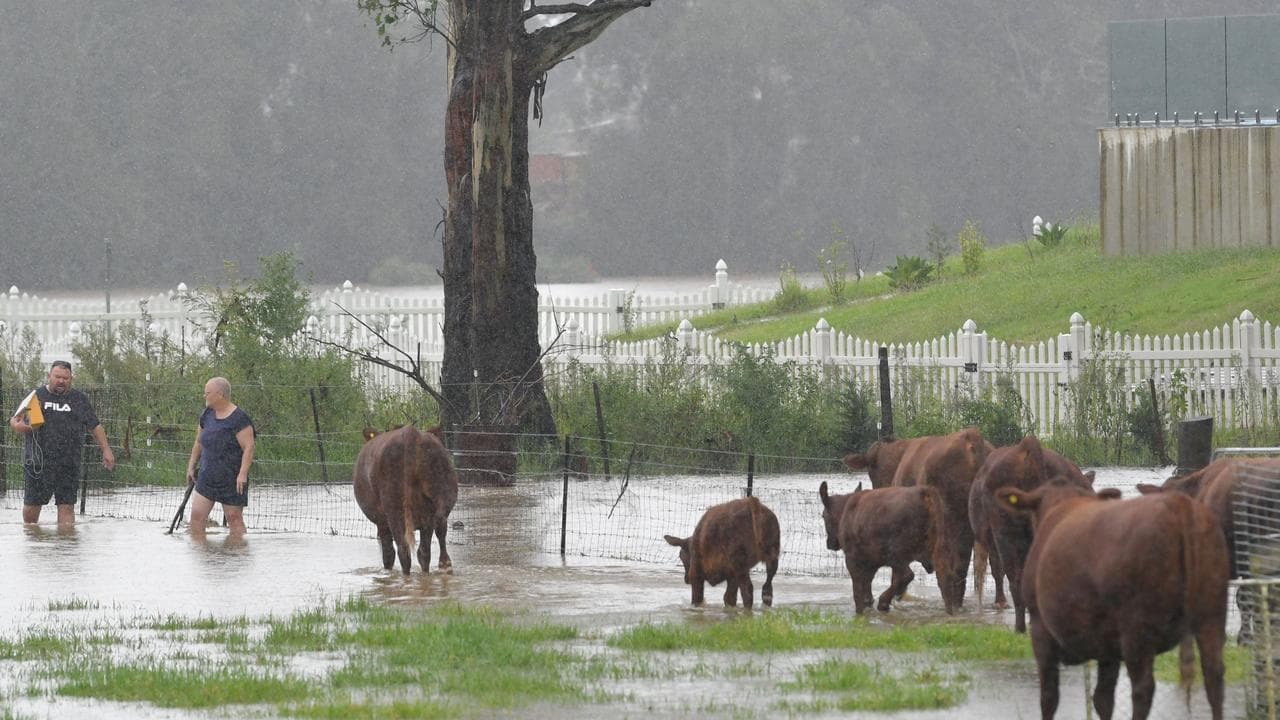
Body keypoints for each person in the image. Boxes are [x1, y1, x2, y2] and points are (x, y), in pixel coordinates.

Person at [8, 360, 115, 525]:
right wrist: (20, 427)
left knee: (66, 506)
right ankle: (31, 541)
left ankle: (65, 546)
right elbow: (14, 420)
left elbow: (95, 426)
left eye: (65, 378)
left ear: (71, 378)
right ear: (49, 376)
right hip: (38, 462)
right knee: (32, 506)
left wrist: (106, 450)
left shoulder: (79, 399)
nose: (61, 381)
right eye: (57, 377)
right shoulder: (35, 395)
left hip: (68, 462)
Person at [185, 377, 255, 536]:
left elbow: (249, 447)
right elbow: (198, 442)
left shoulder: (239, 419)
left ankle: (237, 556)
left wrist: (243, 474)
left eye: (207, 393)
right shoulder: (207, 415)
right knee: (196, 517)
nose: (204, 396)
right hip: (207, 476)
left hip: (232, 478)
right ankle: (202, 555)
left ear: (220, 394)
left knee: (234, 519)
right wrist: (191, 466)